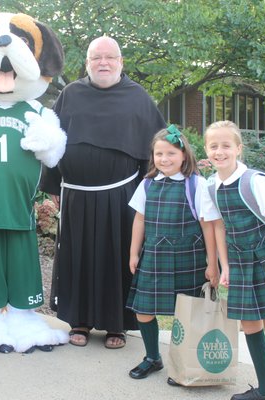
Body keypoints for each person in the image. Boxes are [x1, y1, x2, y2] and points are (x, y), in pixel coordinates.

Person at [40, 36, 166, 348]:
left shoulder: (138, 97)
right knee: (78, 256)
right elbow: (52, 141)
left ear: (121, 62)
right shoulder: (71, 94)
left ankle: (115, 325)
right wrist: (54, 184)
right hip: (77, 196)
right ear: (87, 64)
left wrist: (153, 189)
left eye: (110, 57)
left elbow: (157, 148)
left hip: (120, 197)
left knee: (117, 258)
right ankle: (79, 321)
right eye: (96, 58)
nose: (103, 63)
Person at [201, 120, 265, 400]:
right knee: (250, 325)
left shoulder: (254, 181)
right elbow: (219, 226)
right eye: (213, 146)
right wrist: (224, 266)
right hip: (239, 264)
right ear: (206, 149)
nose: (220, 151)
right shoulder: (212, 185)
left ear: (238, 148)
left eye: (226, 145)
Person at [126, 126, 219, 382]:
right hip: (155, 256)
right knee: (143, 310)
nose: (164, 159)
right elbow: (140, 220)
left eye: (170, 153)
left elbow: (208, 226)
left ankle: (184, 363)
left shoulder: (196, 184)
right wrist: (134, 253)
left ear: (184, 155)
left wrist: (213, 264)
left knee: (187, 313)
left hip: (189, 257)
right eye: (159, 154)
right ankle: (152, 357)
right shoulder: (147, 184)